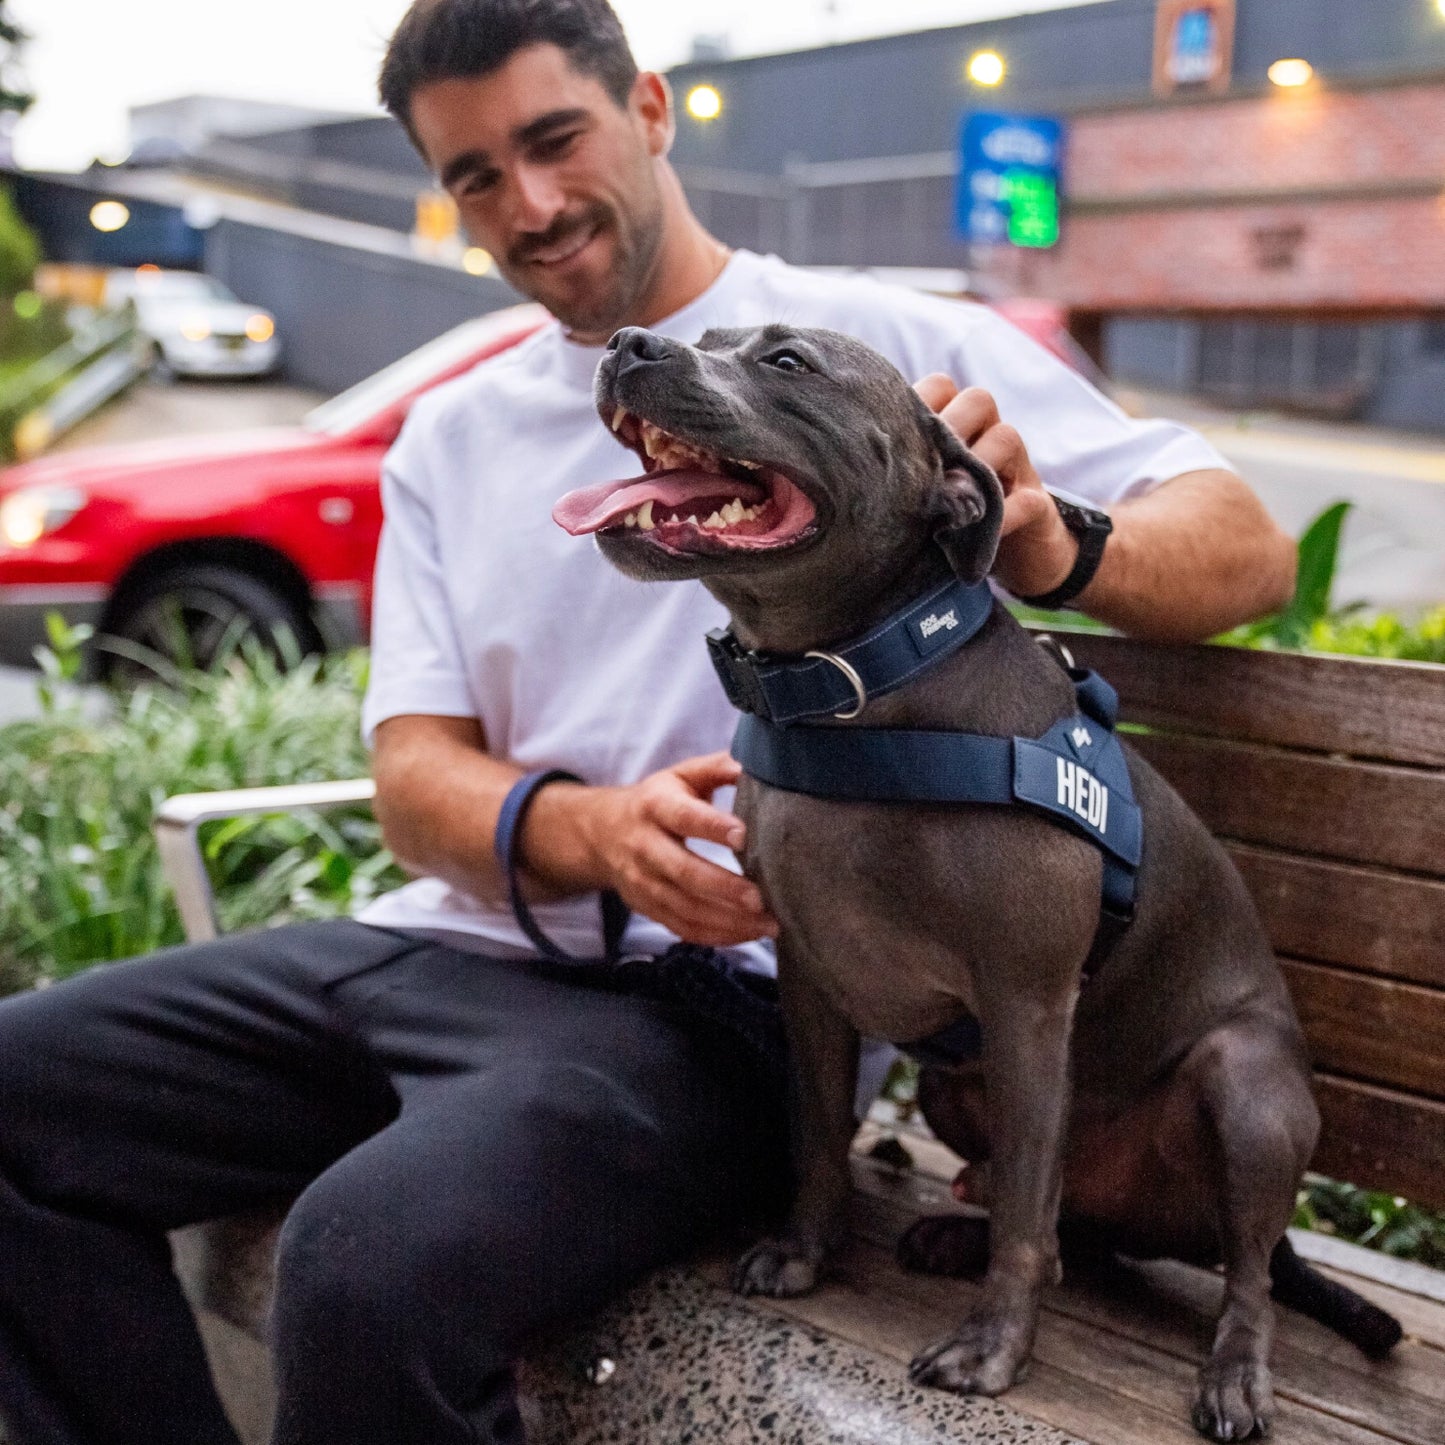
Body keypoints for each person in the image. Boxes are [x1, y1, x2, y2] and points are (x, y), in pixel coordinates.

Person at [0, 3, 1295, 1443]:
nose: (529, 204)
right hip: (440, 943)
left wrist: (1048, 541)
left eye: (554, 139)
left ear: (652, 109)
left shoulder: (892, 343)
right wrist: (591, 829)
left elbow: (1246, 544)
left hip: (705, 1011)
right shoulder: (453, 433)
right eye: (475, 174)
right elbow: (412, 774)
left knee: (367, 1268)